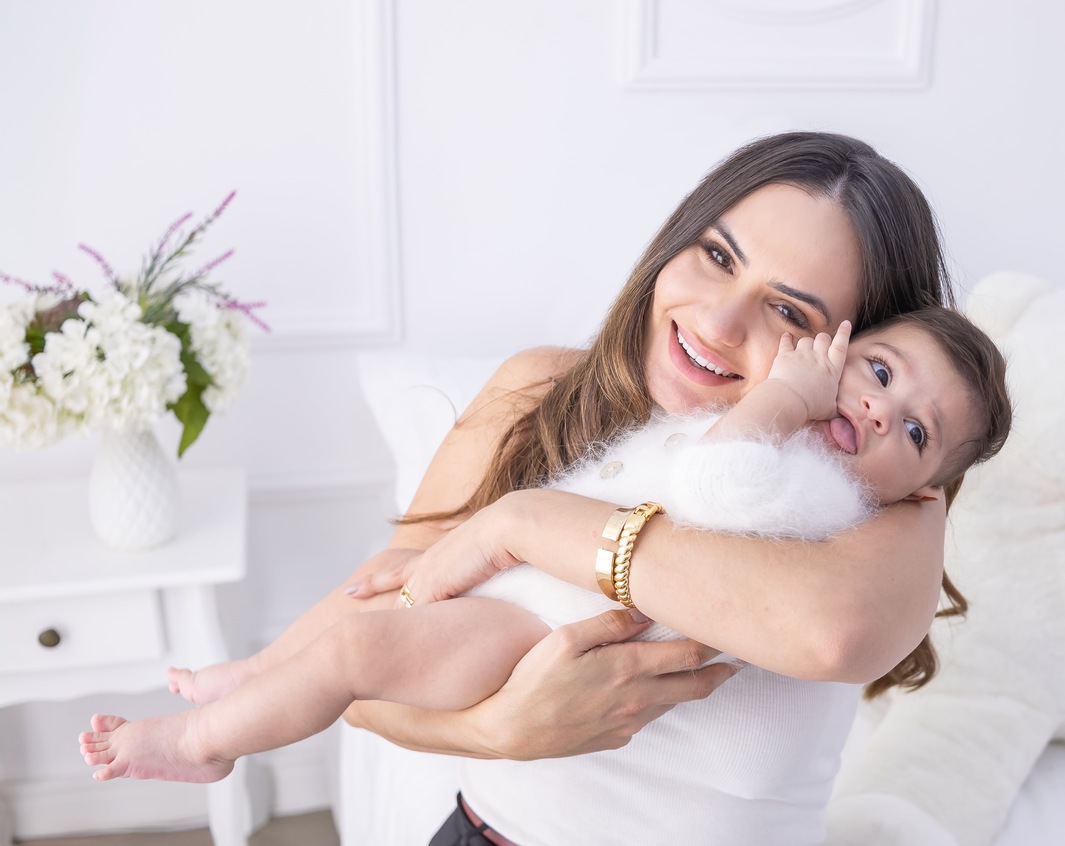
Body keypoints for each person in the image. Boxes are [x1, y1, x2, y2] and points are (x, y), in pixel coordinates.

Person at [87, 131, 995, 844]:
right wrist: (498, 733)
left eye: (789, 310)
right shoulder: (539, 390)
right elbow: (372, 637)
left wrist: (525, 522)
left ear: (855, 356)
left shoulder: (882, 499)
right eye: (717, 257)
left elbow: (828, 632)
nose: (717, 322)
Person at [78, 308, 1011, 794]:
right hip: (520, 595)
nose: (881, 410)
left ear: (923, 489)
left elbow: (716, 489)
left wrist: (784, 402)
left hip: (534, 628)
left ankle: (198, 744)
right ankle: (253, 677)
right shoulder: (602, 392)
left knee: (359, 650)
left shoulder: (832, 499)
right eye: (878, 372)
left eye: (918, 433)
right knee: (371, 599)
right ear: (831, 346)